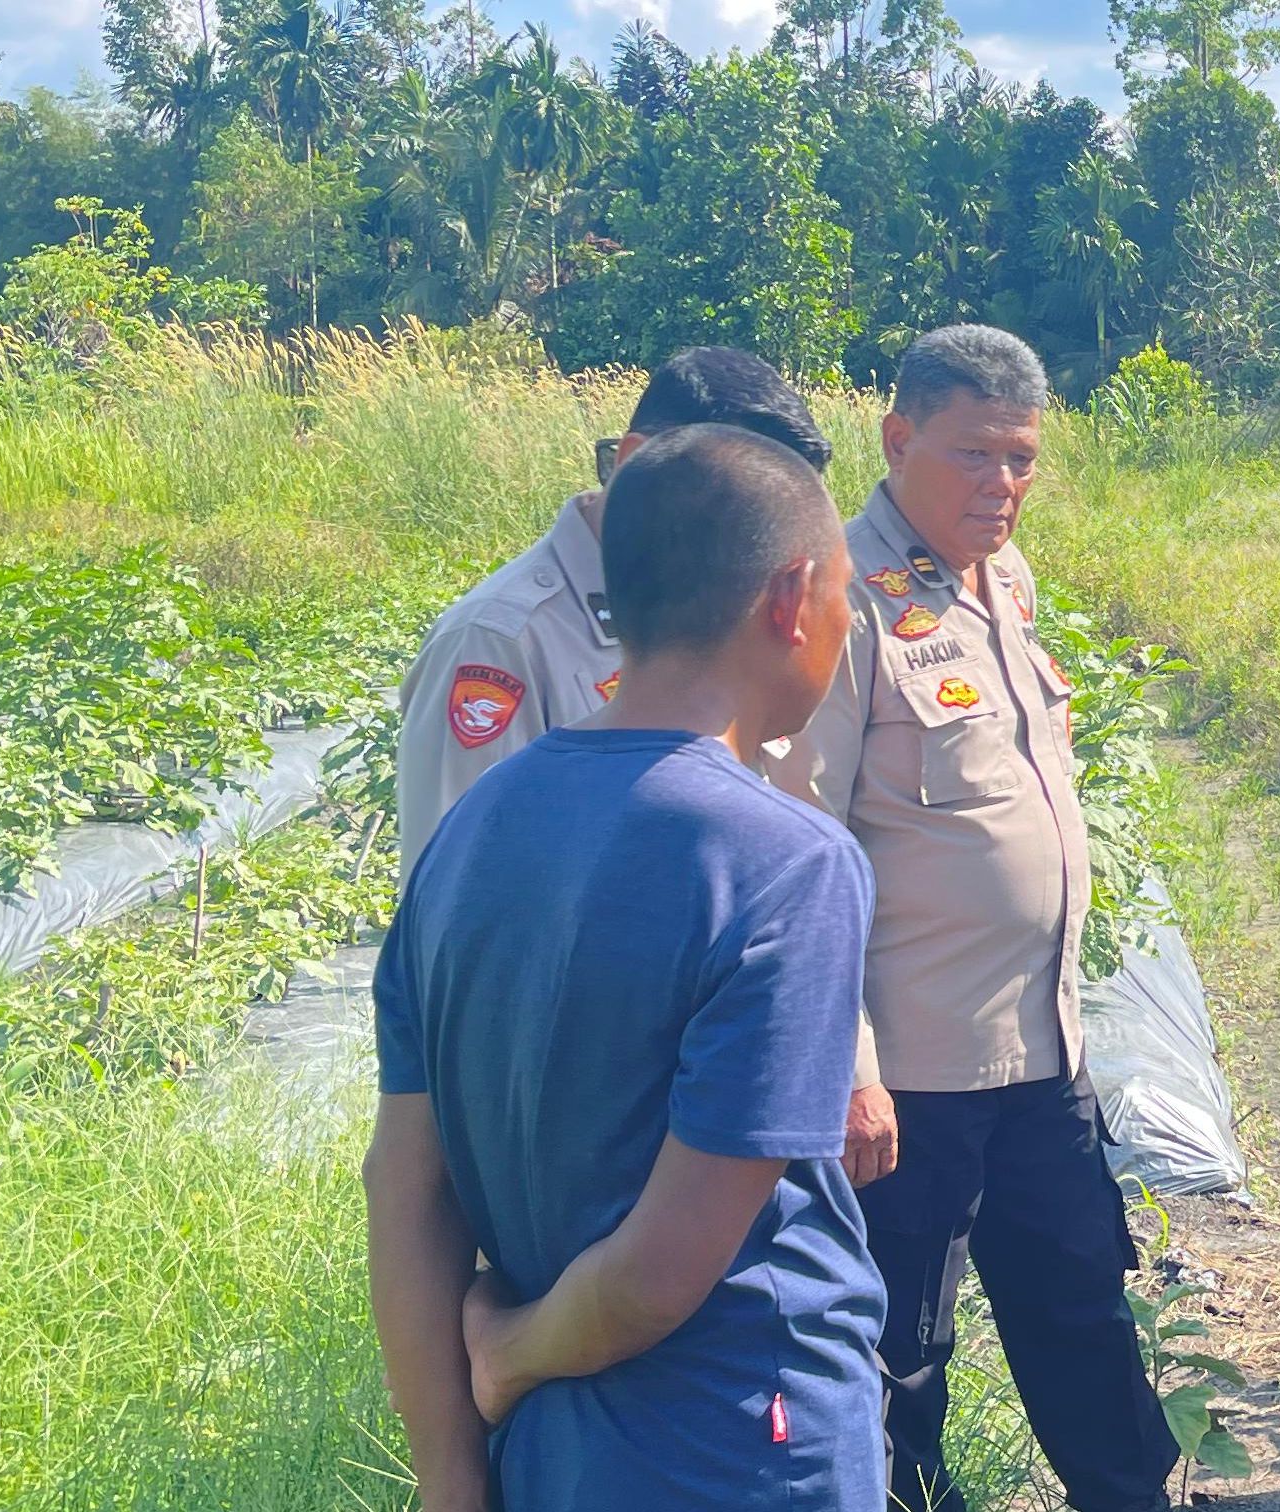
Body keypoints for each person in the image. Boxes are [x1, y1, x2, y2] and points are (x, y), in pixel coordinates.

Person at [362, 424, 884, 1510]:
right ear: (790, 598)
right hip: (740, 1440)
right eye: (844, 592)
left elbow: (404, 1186)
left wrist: (453, 1478)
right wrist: (512, 1354)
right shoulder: (782, 861)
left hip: (545, 1462)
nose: (847, 623)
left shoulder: (475, 828)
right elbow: (659, 1273)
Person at [767, 325, 1177, 1512]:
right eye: (973, 456)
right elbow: (804, 849)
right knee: (900, 1353)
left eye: (1023, 459)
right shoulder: (835, 598)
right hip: (913, 1079)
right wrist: (847, 1063)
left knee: (1084, 1315)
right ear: (897, 441)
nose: (1002, 485)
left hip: (1040, 1053)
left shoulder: (1007, 583)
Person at [395, 344, 835, 875]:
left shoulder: (742, 605)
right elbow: (458, 894)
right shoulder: (500, 640)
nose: (749, 541)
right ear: (632, 464)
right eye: (732, 502)